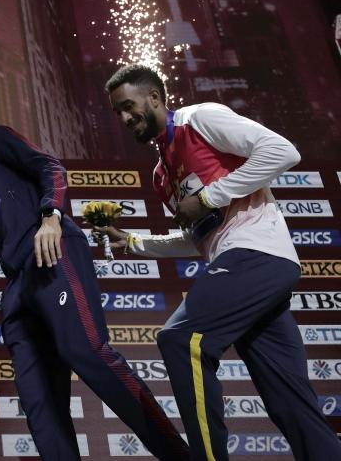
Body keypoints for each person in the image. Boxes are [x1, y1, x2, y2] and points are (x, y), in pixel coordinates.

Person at [95, 64, 341, 461]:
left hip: (257, 254)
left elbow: (282, 152)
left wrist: (210, 196)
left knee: (179, 339)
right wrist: (133, 242)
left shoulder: (200, 119)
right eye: (117, 113)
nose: (125, 119)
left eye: (128, 106)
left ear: (155, 97)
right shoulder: (162, 175)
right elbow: (199, 239)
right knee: (291, 406)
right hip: (242, 269)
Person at [0, 125, 190, 461]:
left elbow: (49, 166)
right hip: (18, 292)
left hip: (50, 254)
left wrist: (51, 217)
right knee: (40, 403)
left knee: (87, 353)